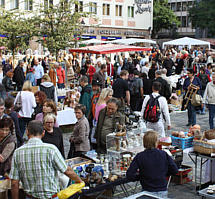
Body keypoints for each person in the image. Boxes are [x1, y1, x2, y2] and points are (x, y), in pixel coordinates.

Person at [9, 120, 82, 199]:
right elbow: (67, 170)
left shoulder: (18, 152)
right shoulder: (51, 149)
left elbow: (14, 183)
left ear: (27, 132)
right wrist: (79, 181)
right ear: (43, 133)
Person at [126, 130, 178, 198]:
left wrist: (140, 177)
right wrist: (164, 173)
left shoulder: (140, 156)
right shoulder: (163, 154)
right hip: (161, 190)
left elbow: (130, 175)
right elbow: (175, 170)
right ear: (156, 142)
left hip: (147, 190)